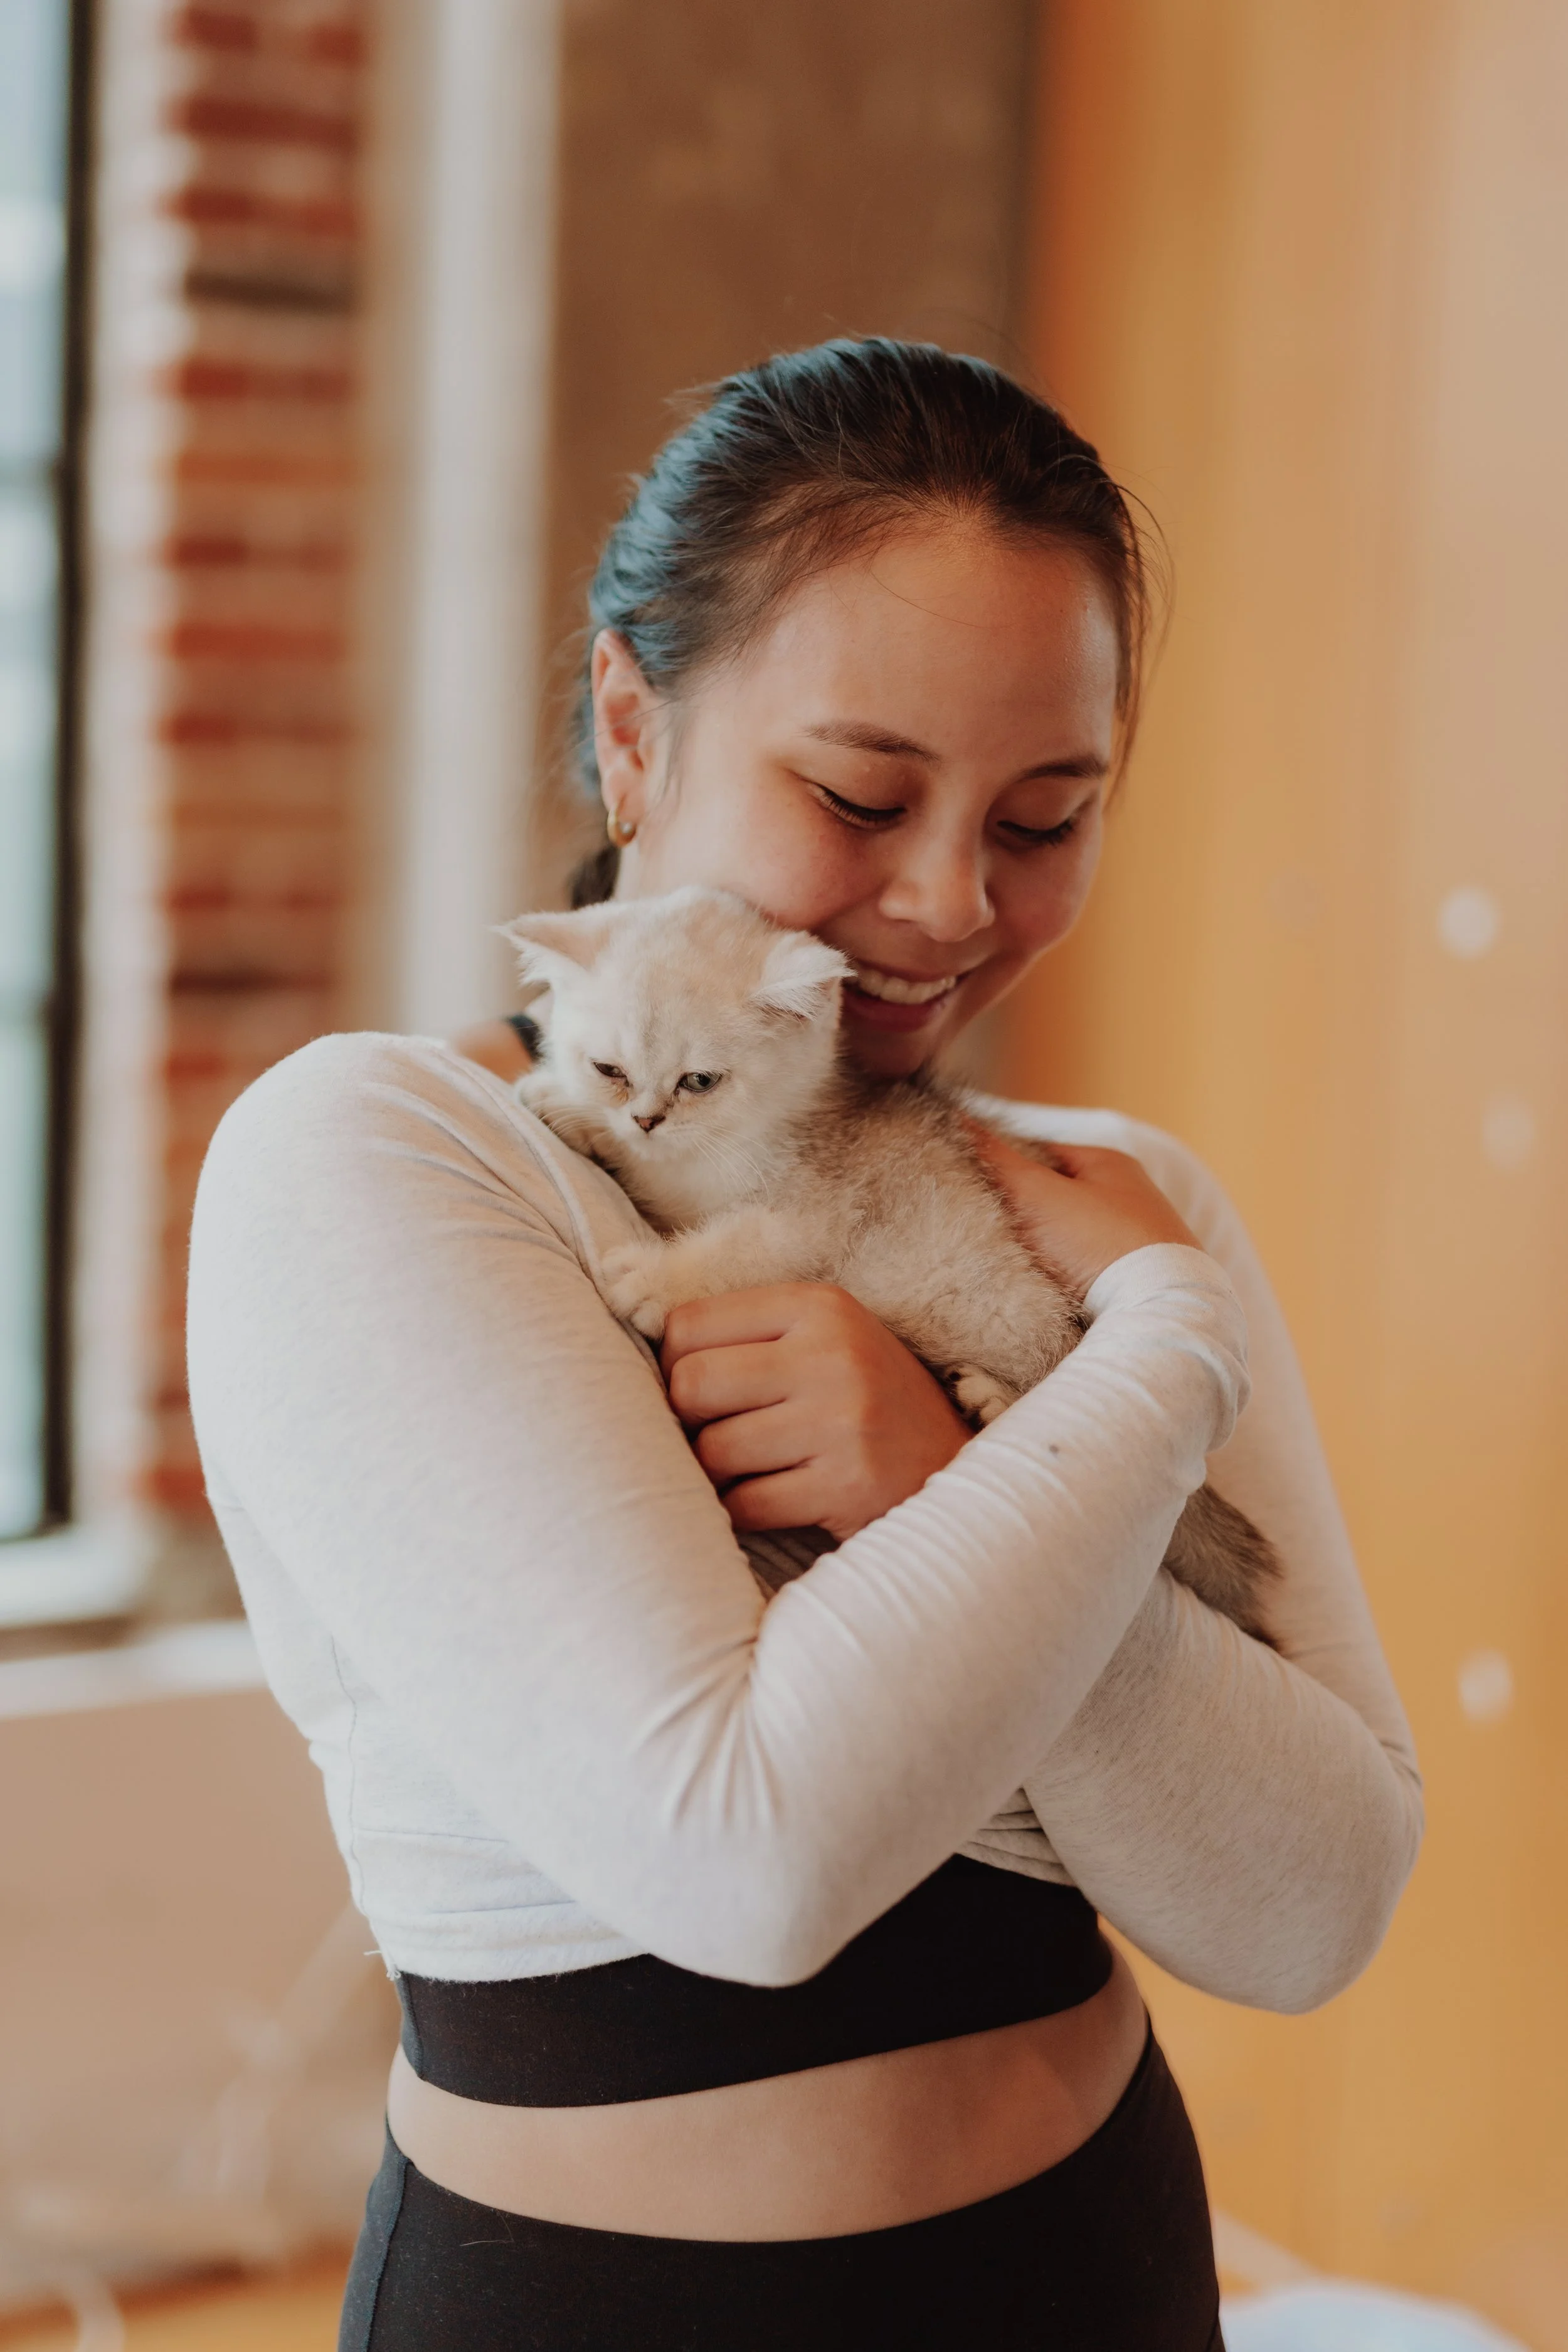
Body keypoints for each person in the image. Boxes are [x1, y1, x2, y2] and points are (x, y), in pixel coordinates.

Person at [186, 340, 1421, 2351]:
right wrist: (1130, 1384)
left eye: (1045, 813)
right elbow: (747, 1860)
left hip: (1097, 2270)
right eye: (859, 793)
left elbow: (1310, 1906)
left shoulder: (1116, 1216)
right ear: (630, 727)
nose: (943, 902)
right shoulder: (385, 1163)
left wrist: (967, 1460)